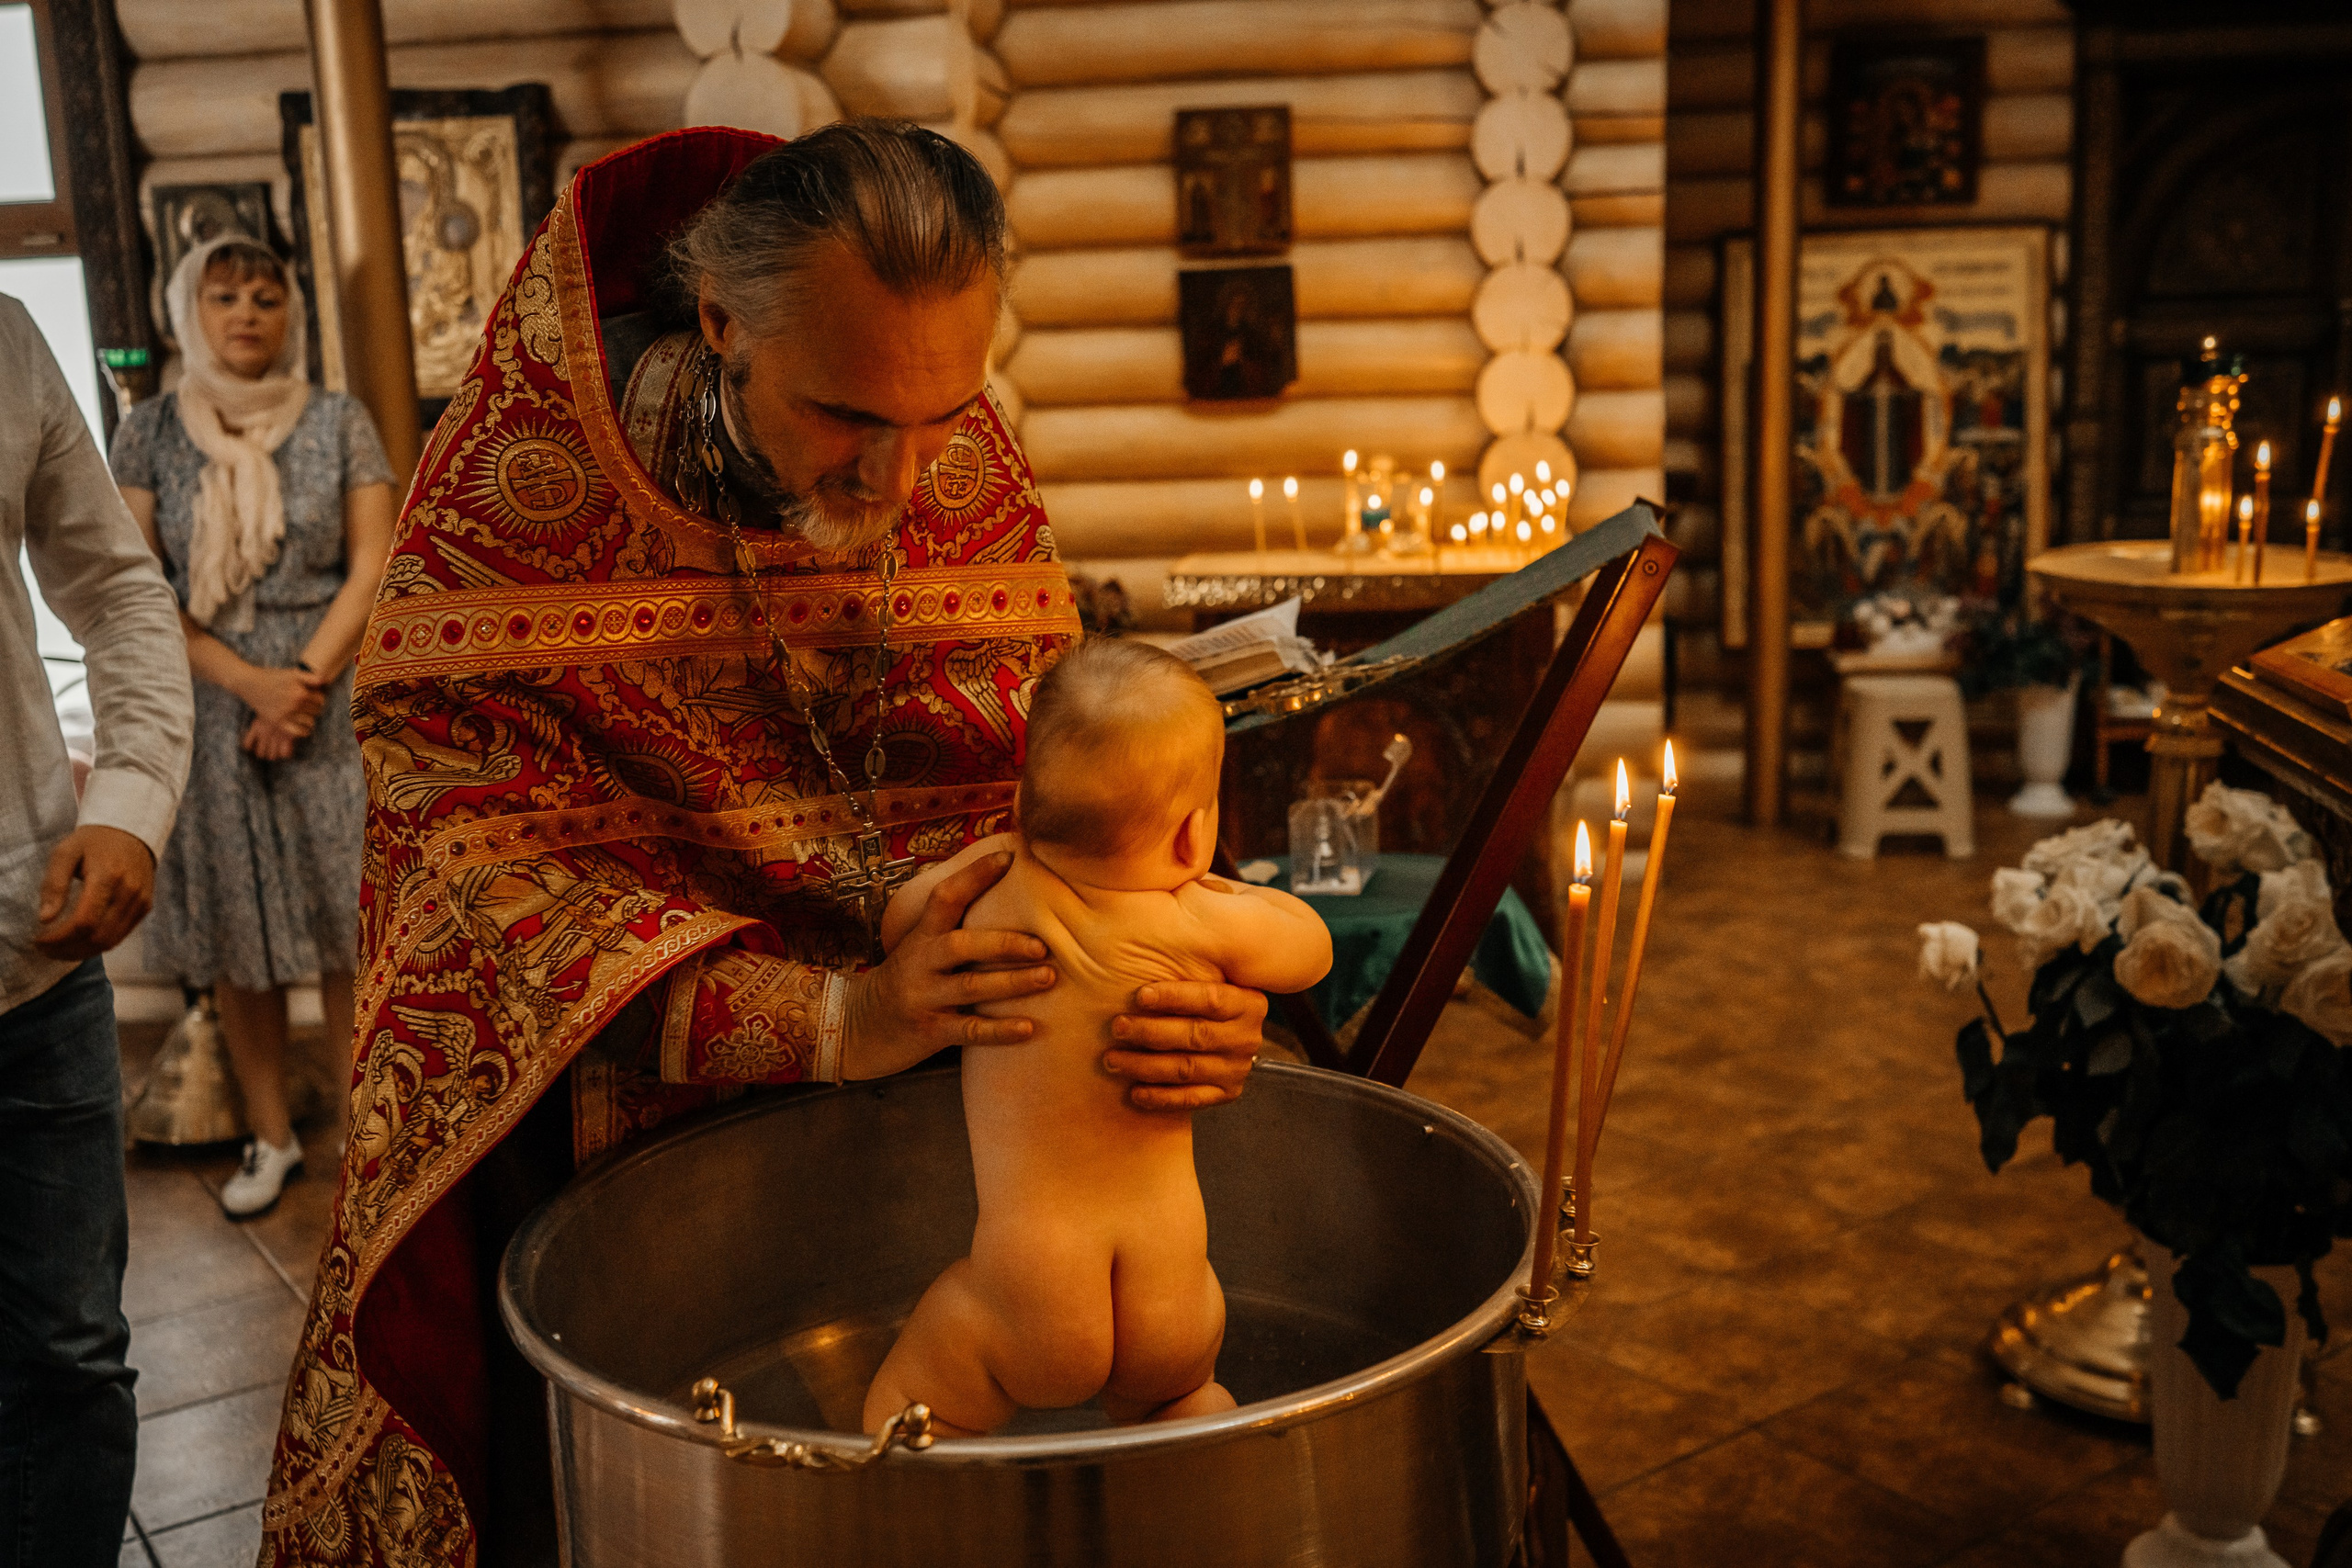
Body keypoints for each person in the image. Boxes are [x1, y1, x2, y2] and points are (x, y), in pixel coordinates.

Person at [262, 121, 1268, 1566]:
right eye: (850, 414)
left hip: (957, 1148)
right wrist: (829, 1010)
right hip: (625, 1166)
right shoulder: (521, 490)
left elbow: (1035, 785)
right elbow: (468, 871)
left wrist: (1159, 976)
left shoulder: (943, 446)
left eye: (948, 413)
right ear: (725, 321)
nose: (911, 474)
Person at [863, 641, 1330, 1437]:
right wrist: (1220, 891)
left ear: (1021, 803)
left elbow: (902, 922)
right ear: (1193, 836)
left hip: (1030, 1297)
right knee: (1187, 1406)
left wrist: (993, 850)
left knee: (908, 1414)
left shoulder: (994, 890)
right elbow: (1310, 947)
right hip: (1172, 1295)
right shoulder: (1196, 917)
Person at [111, 235, 397, 1217]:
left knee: (346, 927)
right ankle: (271, 1137)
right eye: (224, 296)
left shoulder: (338, 420)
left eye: (266, 297)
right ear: (189, 309)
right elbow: (139, 582)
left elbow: (373, 565)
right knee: (241, 934)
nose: (245, 314)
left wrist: (302, 681)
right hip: (208, 693)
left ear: (291, 313)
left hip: (326, 687)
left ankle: (371, 1144)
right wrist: (249, 684)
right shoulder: (149, 432)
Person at [0, 296, 194, 1566]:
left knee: (69, 1351)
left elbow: (118, 589)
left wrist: (128, 800)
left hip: (28, 948)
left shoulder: (3, 339)